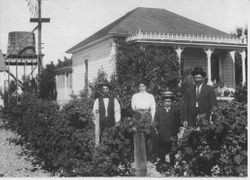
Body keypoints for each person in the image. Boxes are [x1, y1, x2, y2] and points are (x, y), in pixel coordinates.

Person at [131, 81, 156, 176]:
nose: (141, 88)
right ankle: (139, 159)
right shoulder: (135, 96)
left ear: (146, 87)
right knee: (137, 136)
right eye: (140, 86)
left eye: (143, 86)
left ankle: (149, 159)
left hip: (147, 115)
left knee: (148, 137)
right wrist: (138, 112)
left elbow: (153, 108)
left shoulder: (150, 96)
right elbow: (133, 107)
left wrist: (152, 119)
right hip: (137, 115)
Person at [154, 91, 180, 166]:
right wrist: (157, 130)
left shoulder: (175, 110)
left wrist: (175, 133)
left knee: (172, 150)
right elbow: (156, 121)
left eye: (169, 101)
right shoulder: (159, 110)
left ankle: (172, 164)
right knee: (162, 150)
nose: (167, 103)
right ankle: (162, 163)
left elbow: (178, 122)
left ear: (171, 102)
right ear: (163, 102)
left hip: (172, 134)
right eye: (166, 101)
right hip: (162, 134)